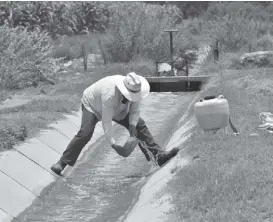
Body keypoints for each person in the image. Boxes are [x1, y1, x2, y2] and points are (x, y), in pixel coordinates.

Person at [51, 72, 179, 175]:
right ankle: (62, 163)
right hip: (93, 105)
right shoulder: (109, 94)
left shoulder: (135, 90)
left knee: (139, 124)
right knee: (86, 133)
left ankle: (159, 156)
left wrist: (132, 126)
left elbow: (135, 111)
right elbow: (106, 122)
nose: (132, 98)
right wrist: (113, 144)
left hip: (118, 108)